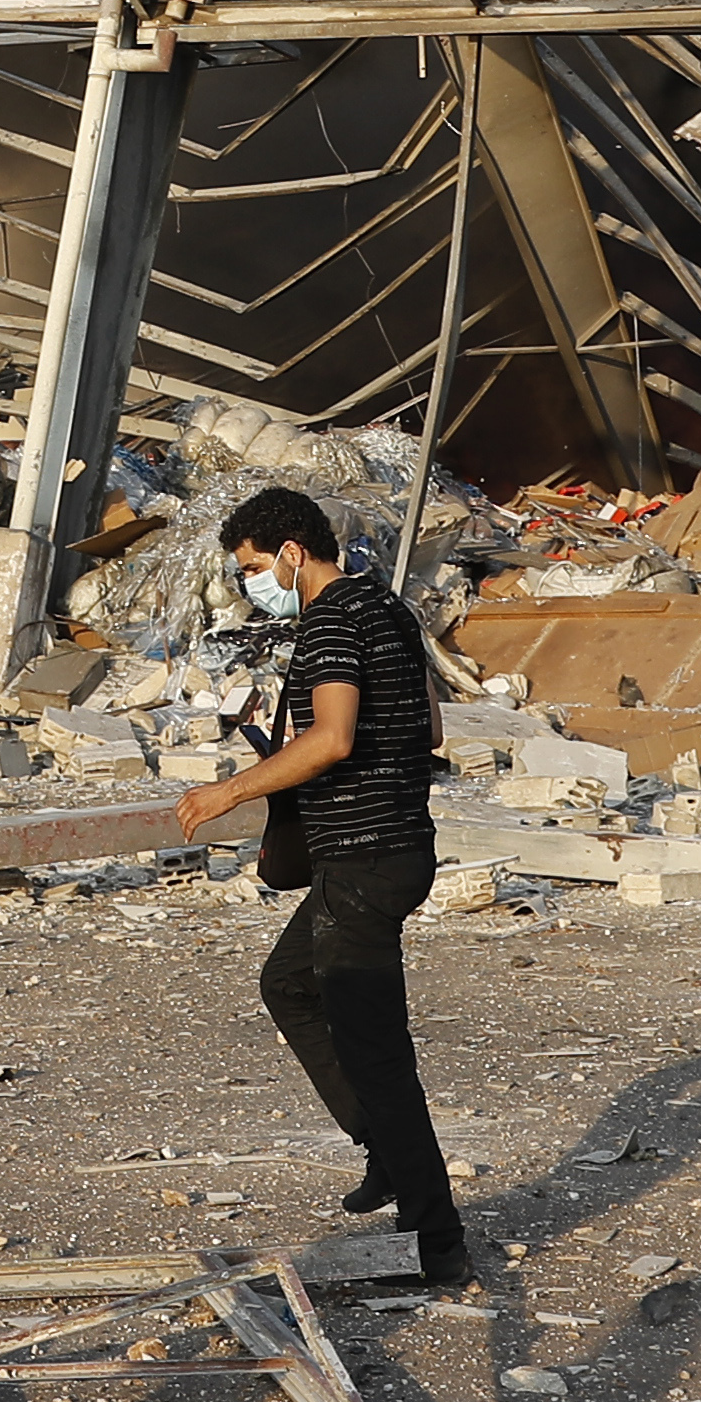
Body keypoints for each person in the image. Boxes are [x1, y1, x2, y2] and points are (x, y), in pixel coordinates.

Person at [169, 485, 467, 1287]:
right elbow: (432, 728)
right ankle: (387, 1160)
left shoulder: (333, 621)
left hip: (366, 859)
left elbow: (332, 740)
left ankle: (436, 1240)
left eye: (255, 567)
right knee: (289, 985)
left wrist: (232, 790)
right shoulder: (389, 610)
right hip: (392, 850)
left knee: (377, 1054)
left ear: (294, 553)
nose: (252, 584)